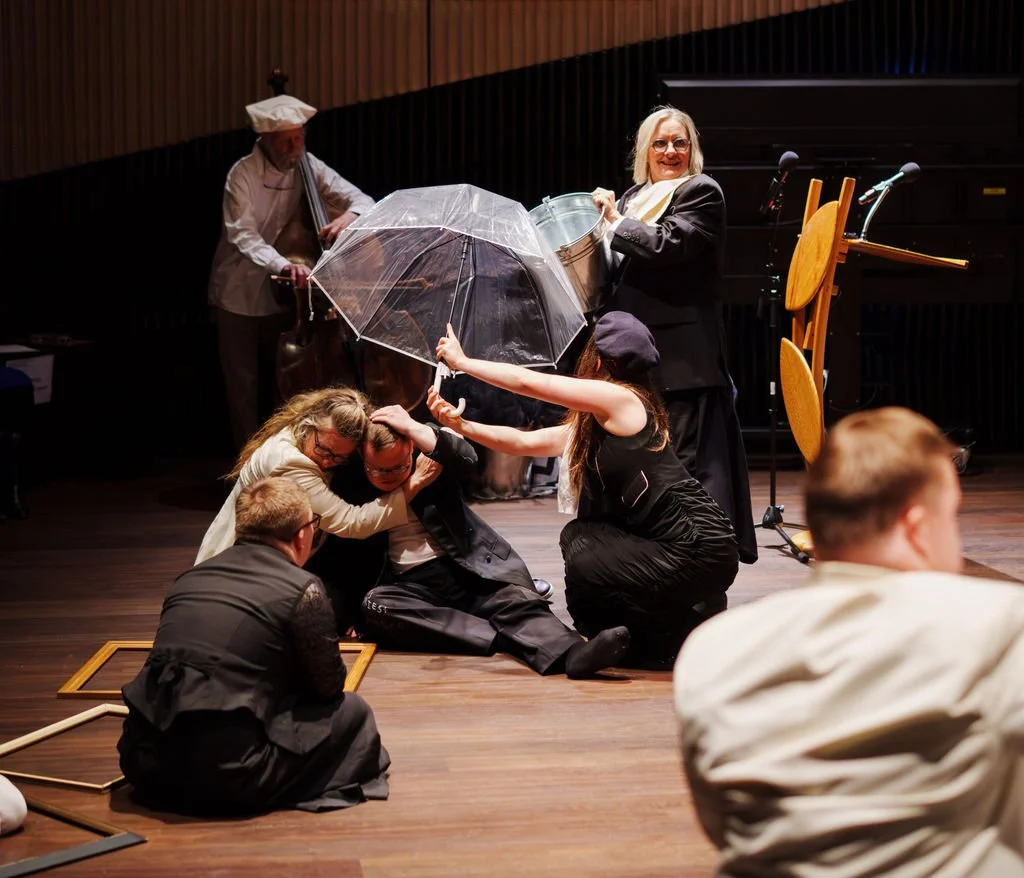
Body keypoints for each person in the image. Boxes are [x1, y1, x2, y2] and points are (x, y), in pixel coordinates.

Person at [673, 407, 1024, 877]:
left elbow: (721, 824)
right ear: (917, 526)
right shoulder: (999, 628)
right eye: (951, 517)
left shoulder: (712, 650)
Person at [431, 312, 739, 669]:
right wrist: (460, 425)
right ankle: (677, 626)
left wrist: (463, 363)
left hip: (696, 543)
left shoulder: (624, 400)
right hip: (686, 543)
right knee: (582, 537)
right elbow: (520, 442)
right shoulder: (600, 422)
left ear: (597, 361)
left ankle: (674, 629)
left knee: (582, 550)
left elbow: (528, 382)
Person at [118, 477, 390, 816]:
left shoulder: (188, 579)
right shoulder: (303, 587)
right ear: (302, 535)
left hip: (145, 764)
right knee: (353, 712)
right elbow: (327, 688)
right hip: (229, 774)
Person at [332, 404, 631, 679]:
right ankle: (504, 636)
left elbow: (466, 456)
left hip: (466, 566)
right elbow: (348, 544)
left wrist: (416, 428)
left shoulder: (430, 451)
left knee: (514, 601)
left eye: (399, 466)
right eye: (377, 470)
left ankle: (574, 653)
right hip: (408, 585)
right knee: (376, 605)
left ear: (411, 448)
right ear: (363, 459)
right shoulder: (351, 482)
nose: (388, 476)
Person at [591, 105, 757, 564]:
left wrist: (615, 222)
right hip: (634, 358)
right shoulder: (633, 198)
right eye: (660, 143)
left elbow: (669, 244)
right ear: (645, 151)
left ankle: (695, 562)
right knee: (642, 461)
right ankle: (653, 558)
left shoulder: (701, 191)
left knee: (682, 466)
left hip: (681, 361)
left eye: (679, 143)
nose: (670, 151)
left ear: (691, 149)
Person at [208, 93, 375, 450]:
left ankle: (285, 454)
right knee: (243, 388)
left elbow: (363, 200)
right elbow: (242, 234)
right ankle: (247, 464)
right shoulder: (242, 174)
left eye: (299, 138)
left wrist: (349, 216)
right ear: (266, 140)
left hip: (284, 298)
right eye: (286, 141)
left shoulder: (307, 164)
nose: (294, 147)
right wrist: (284, 264)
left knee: (283, 382)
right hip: (237, 293)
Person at [196, 386, 436, 569]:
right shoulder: (291, 463)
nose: (329, 461)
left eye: (340, 457)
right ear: (310, 425)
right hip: (245, 563)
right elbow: (352, 522)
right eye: (324, 450)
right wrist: (414, 484)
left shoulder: (300, 433)